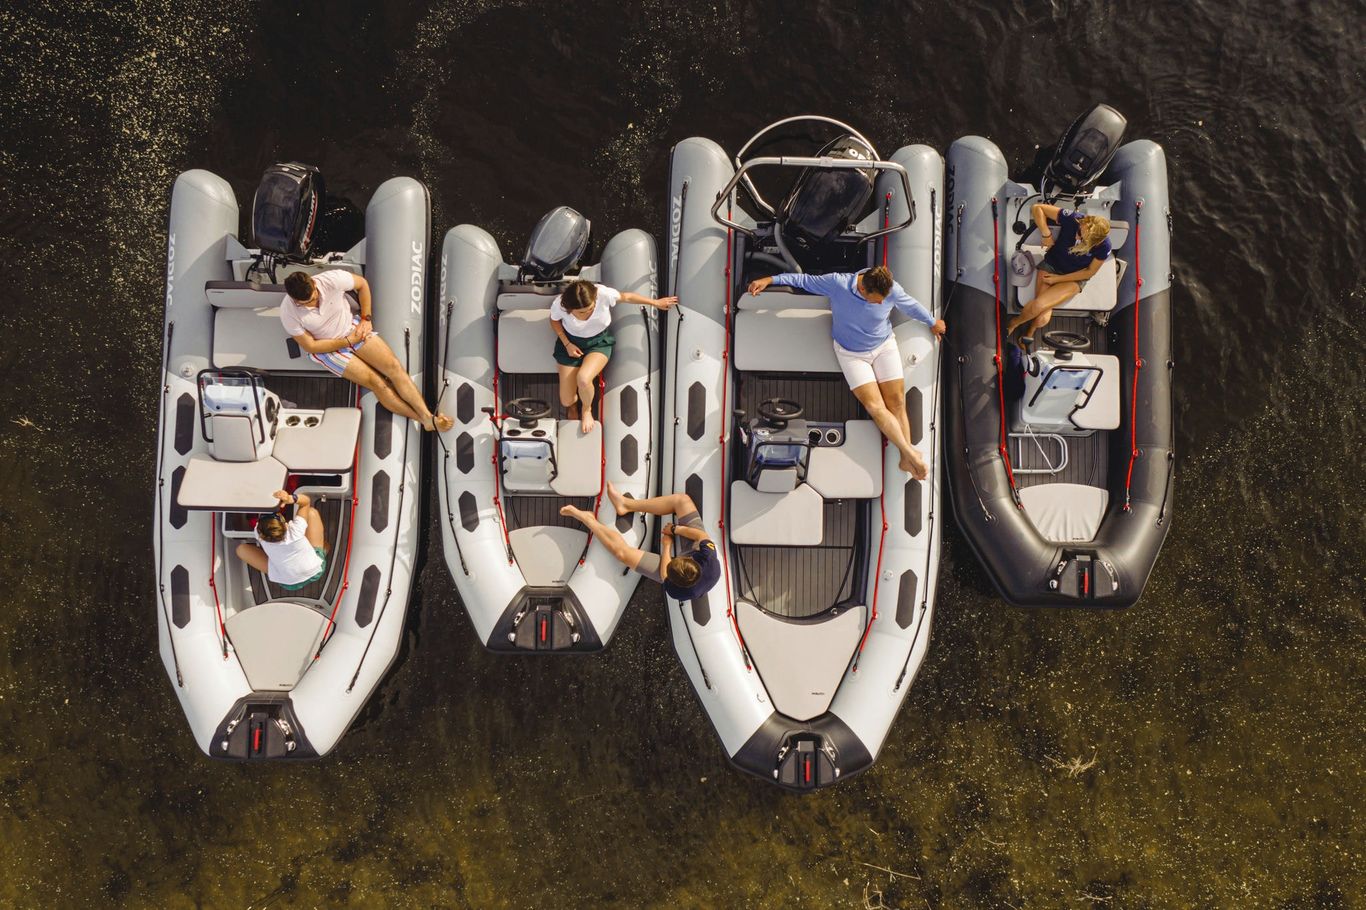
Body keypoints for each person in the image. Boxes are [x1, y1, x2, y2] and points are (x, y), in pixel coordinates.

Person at [746, 265, 945, 480]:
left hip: (884, 346)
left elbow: (910, 305)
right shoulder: (837, 283)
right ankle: (908, 453)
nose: (882, 303)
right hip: (851, 354)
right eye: (877, 300)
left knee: (896, 402)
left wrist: (932, 322)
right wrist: (768, 279)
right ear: (863, 290)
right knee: (874, 406)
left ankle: (907, 459)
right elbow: (802, 280)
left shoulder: (890, 289)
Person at [281, 270, 453, 431]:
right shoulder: (288, 312)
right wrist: (346, 342)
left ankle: (427, 416)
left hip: (352, 329)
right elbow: (311, 346)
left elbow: (362, 284)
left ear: (313, 283)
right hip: (328, 349)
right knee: (377, 383)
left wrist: (366, 318)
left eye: (314, 296)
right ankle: (423, 419)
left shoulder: (331, 280)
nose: (314, 301)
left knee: (394, 368)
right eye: (307, 303)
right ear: (295, 300)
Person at [550, 280, 677, 434]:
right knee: (566, 400)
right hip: (570, 344)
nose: (588, 314)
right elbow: (554, 320)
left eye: (590, 309)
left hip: (598, 343)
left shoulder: (602, 294)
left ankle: (586, 410)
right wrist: (567, 344)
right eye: (582, 312)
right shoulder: (561, 305)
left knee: (583, 379)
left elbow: (627, 297)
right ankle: (572, 406)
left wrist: (655, 302)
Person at [559, 483, 720, 602]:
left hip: (683, 572)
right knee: (682, 500)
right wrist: (675, 530)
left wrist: (667, 546)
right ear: (690, 560)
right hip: (693, 552)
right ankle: (626, 505)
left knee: (622, 553)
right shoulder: (709, 556)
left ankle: (587, 519)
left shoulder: (678, 592)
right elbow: (700, 535)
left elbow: (664, 574)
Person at [1007, 205, 1112, 349]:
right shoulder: (1074, 219)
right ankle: (1015, 322)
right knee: (1039, 309)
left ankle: (1030, 331)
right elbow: (1037, 208)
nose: (1077, 236)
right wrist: (1046, 235)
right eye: (1080, 231)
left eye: (1081, 237)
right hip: (1051, 265)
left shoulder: (1104, 246)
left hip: (1073, 279)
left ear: (1096, 242)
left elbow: (1089, 272)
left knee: (1042, 319)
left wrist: (1057, 279)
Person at [235, 490, 328, 590]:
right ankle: (324, 550)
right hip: (314, 571)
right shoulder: (295, 531)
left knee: (241, 549)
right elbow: (306, 502)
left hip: (287, 582)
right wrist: (290, 498)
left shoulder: (258, 533)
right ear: (286, 524)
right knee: (311, 512)